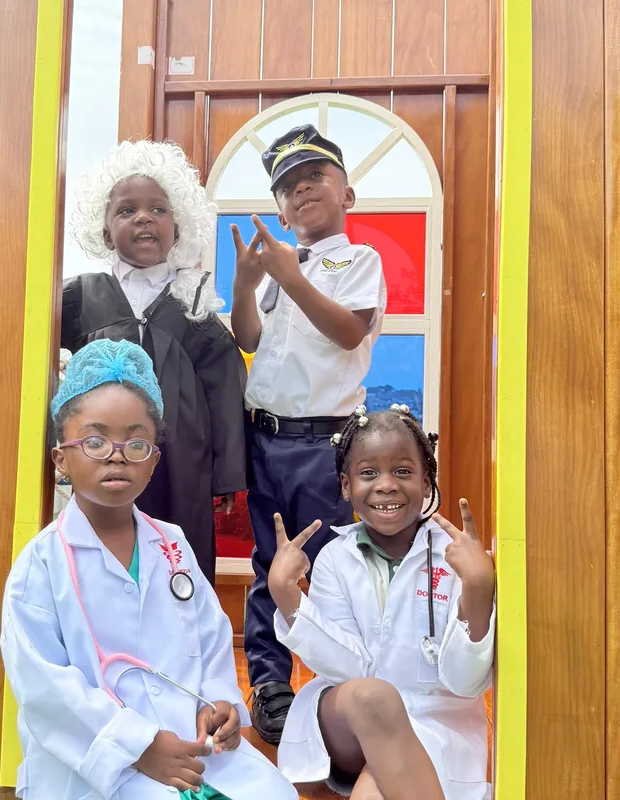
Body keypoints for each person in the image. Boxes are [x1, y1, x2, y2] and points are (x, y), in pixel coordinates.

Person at [0, 339, 296, 800]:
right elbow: (44, 689)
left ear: (154, 460)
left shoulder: (173, 545)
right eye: (95, 440)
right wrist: (137, 747)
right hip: (97, 760)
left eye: (135, 442)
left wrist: (219, 702)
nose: (116, 455)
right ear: (61, 458)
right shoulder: (41, 565)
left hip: (190, 739)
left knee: (274, 793)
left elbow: (211, 639)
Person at [229, 124, 387, 742]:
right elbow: (249, 341)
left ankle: (339, 689)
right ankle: (269, 683)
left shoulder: (358, 260)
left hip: (324, 445)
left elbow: (348, 332)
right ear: (279, 208)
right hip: (264, 439)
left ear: (347, 193)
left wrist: (290, 275)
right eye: (287, 188)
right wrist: (247, 285)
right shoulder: (276, 276)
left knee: (330, 566)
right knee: (270, 561)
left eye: (315, 177)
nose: (301, 193)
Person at [267, 404, 496, 800]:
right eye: (368, 473)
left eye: (403, 471)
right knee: (374, 697)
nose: (386, 485)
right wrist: (289, 599)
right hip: (348, 722)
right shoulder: (335, 558)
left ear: (428, 483)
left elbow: (464, 683)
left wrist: (476, 589)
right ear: (345, 485)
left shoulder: (458, 558)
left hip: (434, 724)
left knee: (376, 790)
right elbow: (347, 668)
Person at [62, 140, 247, 584]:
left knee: (179, 554)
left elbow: (224, 385)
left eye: (158, 210)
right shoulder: (80, 296)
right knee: (101, 549)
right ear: (106, 232)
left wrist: (226, 476)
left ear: (178, 228)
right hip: (104, 452)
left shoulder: (194, 300)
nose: (143, 217)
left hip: (183, 457)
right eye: (126, 210)